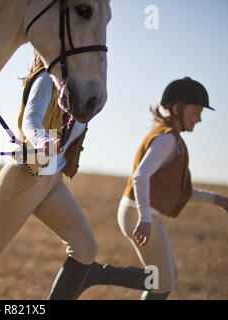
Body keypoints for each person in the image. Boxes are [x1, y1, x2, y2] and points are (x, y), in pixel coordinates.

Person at [0, 52, 98, 299]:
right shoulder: (46, 78)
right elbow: (30, 120)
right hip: (24, 177)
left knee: (86, 248)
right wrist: (43, 140)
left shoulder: (74, 91)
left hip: (52, 183)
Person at [75, 77, 228, 300]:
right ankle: (95, 273)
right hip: (140, 214)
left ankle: (95, 273)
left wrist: (217, 199)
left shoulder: (172, 139)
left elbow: (174, 191)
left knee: (167, 277)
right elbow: (140, 176)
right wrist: (145, 218)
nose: (199, 119)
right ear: (176, 108)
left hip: (139, 212)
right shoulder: (166, 140)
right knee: (163, 280)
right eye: (196, 112)